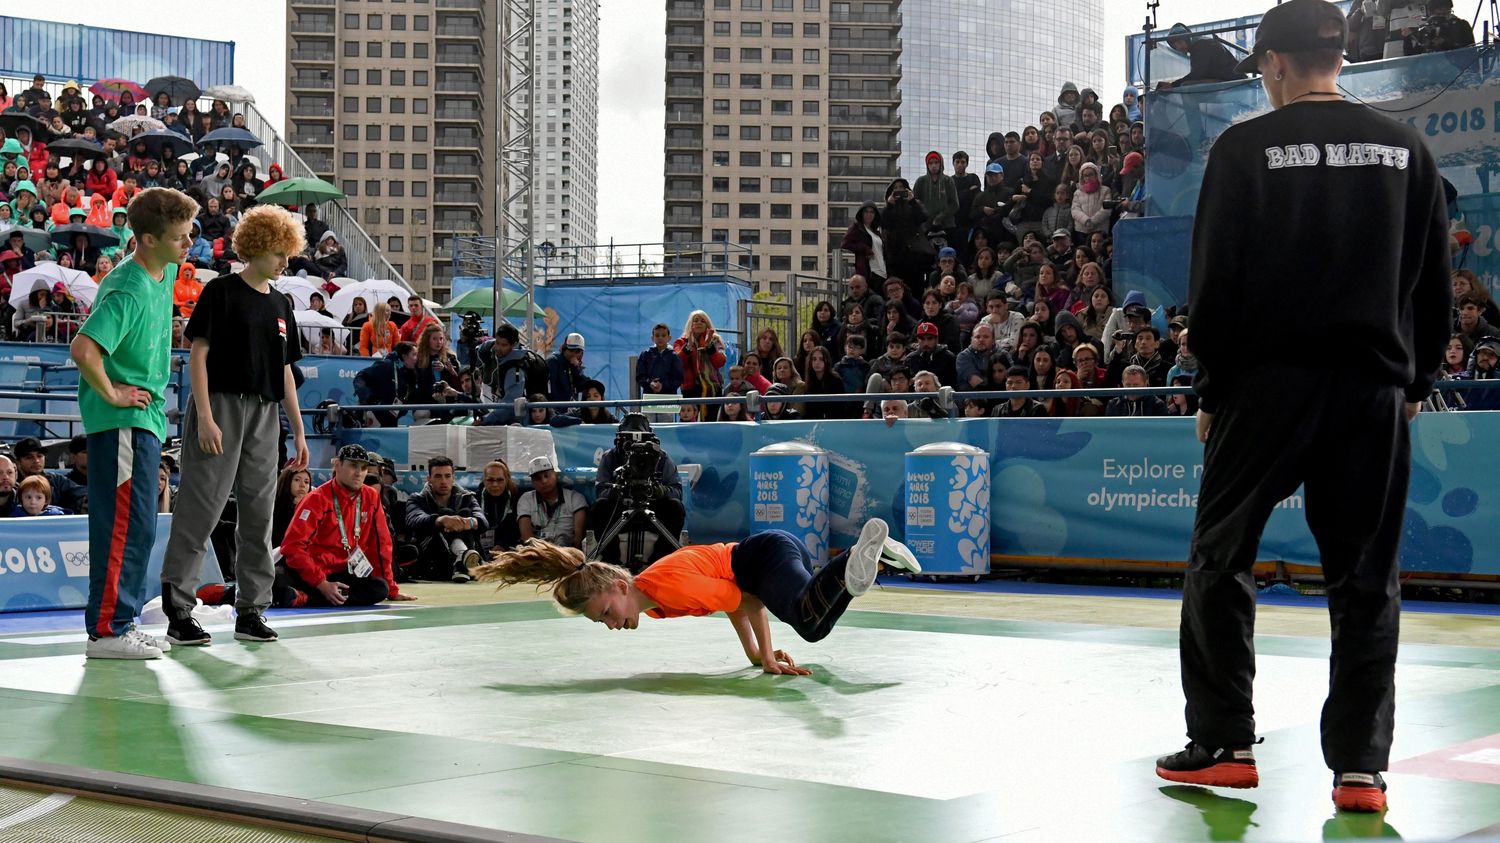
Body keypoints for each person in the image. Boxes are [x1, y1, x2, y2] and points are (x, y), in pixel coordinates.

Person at [1155, 0, 1453, 815]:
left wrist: (1212, 389)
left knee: (1222, 557)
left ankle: (1224, 744)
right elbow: (1434, 285)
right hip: (1372, 390)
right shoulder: (1408, 148)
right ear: (1341, 61)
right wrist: (1415, 380)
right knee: (1365, 578)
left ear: (1275, 65)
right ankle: (1361, 769)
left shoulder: (1244, 149)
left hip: (1267, 387)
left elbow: (1215, 287)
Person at [472, 518, 920, 674]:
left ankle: (851, 562)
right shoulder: (656, 602)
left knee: (804, 619)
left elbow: (743, 601)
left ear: (620, 587)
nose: (610, 625)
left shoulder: (664, 587)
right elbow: (736, 603)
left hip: (761, 557)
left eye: (606, 613)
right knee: (814, 626)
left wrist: (762, 654)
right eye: (600, 623)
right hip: (760, 562)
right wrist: (755, 655)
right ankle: (869, 564)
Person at [158, 205, 310, 647]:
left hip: (265, 415)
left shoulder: (282, 304)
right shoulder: (221, 291)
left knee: (259, 516)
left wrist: (298, 430)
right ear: (261, 246)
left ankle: (252, 608)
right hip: (220, 407)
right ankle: (179, 610)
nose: (287, 262)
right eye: (282, 252)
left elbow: (285, 372)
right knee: (200, 509)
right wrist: (203, 415)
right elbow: (198, 355)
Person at [71, 187, 198, 659]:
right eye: (180, 237)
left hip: (143, 421)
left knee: (140, 522)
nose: (189, 246)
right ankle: (107, 629)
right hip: (122, 420)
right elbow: (83, 349)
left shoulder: (161, 273)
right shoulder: (127, 287)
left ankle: (117, 622)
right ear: (146, 239)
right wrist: (112, 392)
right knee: (124, 523)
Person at [278, 445, 414, 607]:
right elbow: (292, 547)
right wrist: (321, 583)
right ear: (337, 465)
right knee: (274, 580)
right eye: (353, 466)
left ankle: (306, 598)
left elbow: (380, 546)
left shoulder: (370, 497)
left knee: (379, 588)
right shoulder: (316, 499)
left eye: (364, 468)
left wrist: (392, 590)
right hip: (309, 571)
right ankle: (315, 595)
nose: (359, 473)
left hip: (344, 572)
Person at [589, 414, 687, 570]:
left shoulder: (661, 457)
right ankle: (611, 563)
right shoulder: (610, 457)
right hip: (619, 509)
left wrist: (659, 491)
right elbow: (601, 490)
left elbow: (676, 491)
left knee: (675, 507)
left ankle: (659, 563)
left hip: (654, 510)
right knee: (600, 507)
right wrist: (619, 490)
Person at [405, 457, 487, 583]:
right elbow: (414, 520)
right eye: (438, 476)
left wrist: (467, 523)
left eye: (447, 476)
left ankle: (462, 562)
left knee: (466, 514)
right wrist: (441, 520)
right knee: (445, 514)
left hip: (466, 544)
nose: (443, 481)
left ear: (453, 478)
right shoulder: (417, 499)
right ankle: (465, 556)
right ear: (429, 479)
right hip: (433, 556)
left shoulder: (467, 497)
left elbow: (482, 521)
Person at [10, 437, 88, 513]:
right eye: (29, 457)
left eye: (40, 456)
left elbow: (79, 493)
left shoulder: (57, 481)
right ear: (18, 462)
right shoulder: (12, 485)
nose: (36, 461)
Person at [1160, 22, 1246, 89]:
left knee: (1186, 86)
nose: (1178, 47)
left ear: (1187, 39)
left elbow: (1197, 74)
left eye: (1180, 42)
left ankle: (1191, 112)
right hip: (1228, 79)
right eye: (1175, 46)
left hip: (1233, 81)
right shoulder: (1199, 44)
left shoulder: (1200, 45)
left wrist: (1173, 85)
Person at [675, 310, 726, 422]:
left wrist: (709, 346)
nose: (699, 323)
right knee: (689, 423)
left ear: (707, 325)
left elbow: (720, 362)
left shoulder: (715, 340)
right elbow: (677, 362)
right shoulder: (681, 342)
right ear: (690, 324)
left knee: (710, 424)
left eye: (703, 321)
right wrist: (688, 346)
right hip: (690, 389)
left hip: (712, 390)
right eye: (696, 320)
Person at [636, 322, 685, 424]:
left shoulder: (674, 356)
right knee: (648, 425)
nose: (660, 338)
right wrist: (650, 383)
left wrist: (663, 386)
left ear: (669, 338)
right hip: (649, 397)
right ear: (652, 338)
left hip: (668, 398)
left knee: (666, 425)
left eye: (663, 335)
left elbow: (678, 379)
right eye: (657, 335)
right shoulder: (645, 354)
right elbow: (640, 376)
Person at [475, 460, 523, 557]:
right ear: (484, 480)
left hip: (507, 549)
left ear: (506, 480)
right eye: (490, 480)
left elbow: (517, 527)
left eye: (500, 480)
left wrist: (502, 545)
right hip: (479, 549)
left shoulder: (516, 498)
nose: (495, 485)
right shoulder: (475, 499)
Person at [272, 466, 313, 547]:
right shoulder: (274, 507)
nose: (302, 485)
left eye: (306, 482)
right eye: (297, 480)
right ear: (286, 481)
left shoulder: (313, 507)